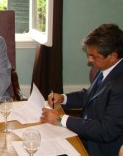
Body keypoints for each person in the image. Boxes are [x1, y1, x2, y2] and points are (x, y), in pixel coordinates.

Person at [40, 23, 123, 156]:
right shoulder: (106, 69)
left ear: (112, 56)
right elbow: (89, 95)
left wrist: (61, 119)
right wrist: (63, 98)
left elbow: (106, 130)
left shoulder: (120, 85)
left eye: (94, 56)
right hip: (85, 134)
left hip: (98, 148)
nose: (89, 60)